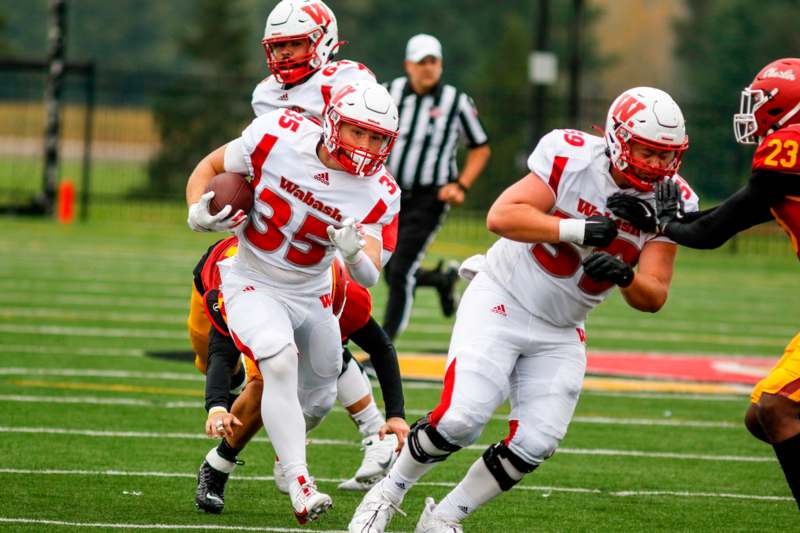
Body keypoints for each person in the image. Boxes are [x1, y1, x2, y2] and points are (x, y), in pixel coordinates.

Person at [348, 86, 698, 532]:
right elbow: (502, 216)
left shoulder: (672, 200)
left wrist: (626, 275)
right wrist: (577, 229)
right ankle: (388, 492)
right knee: (461, 419)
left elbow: (654, 296)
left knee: (537, 441)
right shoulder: (572, 157)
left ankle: (444, 518)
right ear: (618, 138)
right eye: (648, 151)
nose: (659, 165)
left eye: (669, 155)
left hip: (562, 326)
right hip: (503, 297)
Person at [185, 0, 405, 507]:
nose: (284, 55)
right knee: (263, 363)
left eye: (295, 43)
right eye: (277, 45)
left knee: (325, 367)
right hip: (260, 247)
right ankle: (285, 463)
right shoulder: (273, 114)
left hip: (321, 255)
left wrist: (353, 249)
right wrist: (198, 207)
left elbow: (369, 265)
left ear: (324, 41)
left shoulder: (352, 90)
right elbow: (228, 162)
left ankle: (354, 436)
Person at [607, 58, 800, 510]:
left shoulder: (787, 148)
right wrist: (665, 221)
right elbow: (723, 220)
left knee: (777, 409)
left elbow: (709, 234)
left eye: (760, 102)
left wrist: (666, 221)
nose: (751, 112)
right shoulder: (785, 169)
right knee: (762, 418)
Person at [191, 235, 410, 515]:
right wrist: (217, 406)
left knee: (273, 379)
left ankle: (218, 466)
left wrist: (396, 414)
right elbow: (220, 350)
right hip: (235, 290)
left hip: (300, 306)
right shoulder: (237, 278)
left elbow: (380, 347)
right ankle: (237, 388)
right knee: (218, 364)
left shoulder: (342, 291)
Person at [381, 33, 491, 340]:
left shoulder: (456, 102)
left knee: (401, 270)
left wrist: (461, 185)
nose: (428, 68)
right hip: (391, 194)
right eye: (421, 62)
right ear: (408, 65)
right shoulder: (389, 93)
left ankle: (382, 348)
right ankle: (442, 280)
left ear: (440, 64)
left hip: (431, 197)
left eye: (433, 61)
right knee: (391, 270)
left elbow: (480, 147)